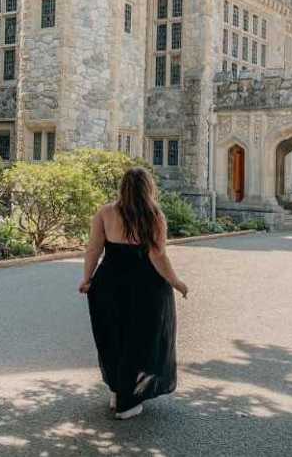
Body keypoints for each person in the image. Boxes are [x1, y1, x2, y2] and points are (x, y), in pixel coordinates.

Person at [79, 167, 190, 419]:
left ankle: (119, 391)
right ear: (148, 188)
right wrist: (176, 282)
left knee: (114, 338)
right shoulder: (154, 215)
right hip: (146, 287)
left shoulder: (105, 213)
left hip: (109, 284)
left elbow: (93, 250)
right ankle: (128, 403)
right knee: (142, 342)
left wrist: (87, 279)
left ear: (122, 188)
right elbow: (157, 255)